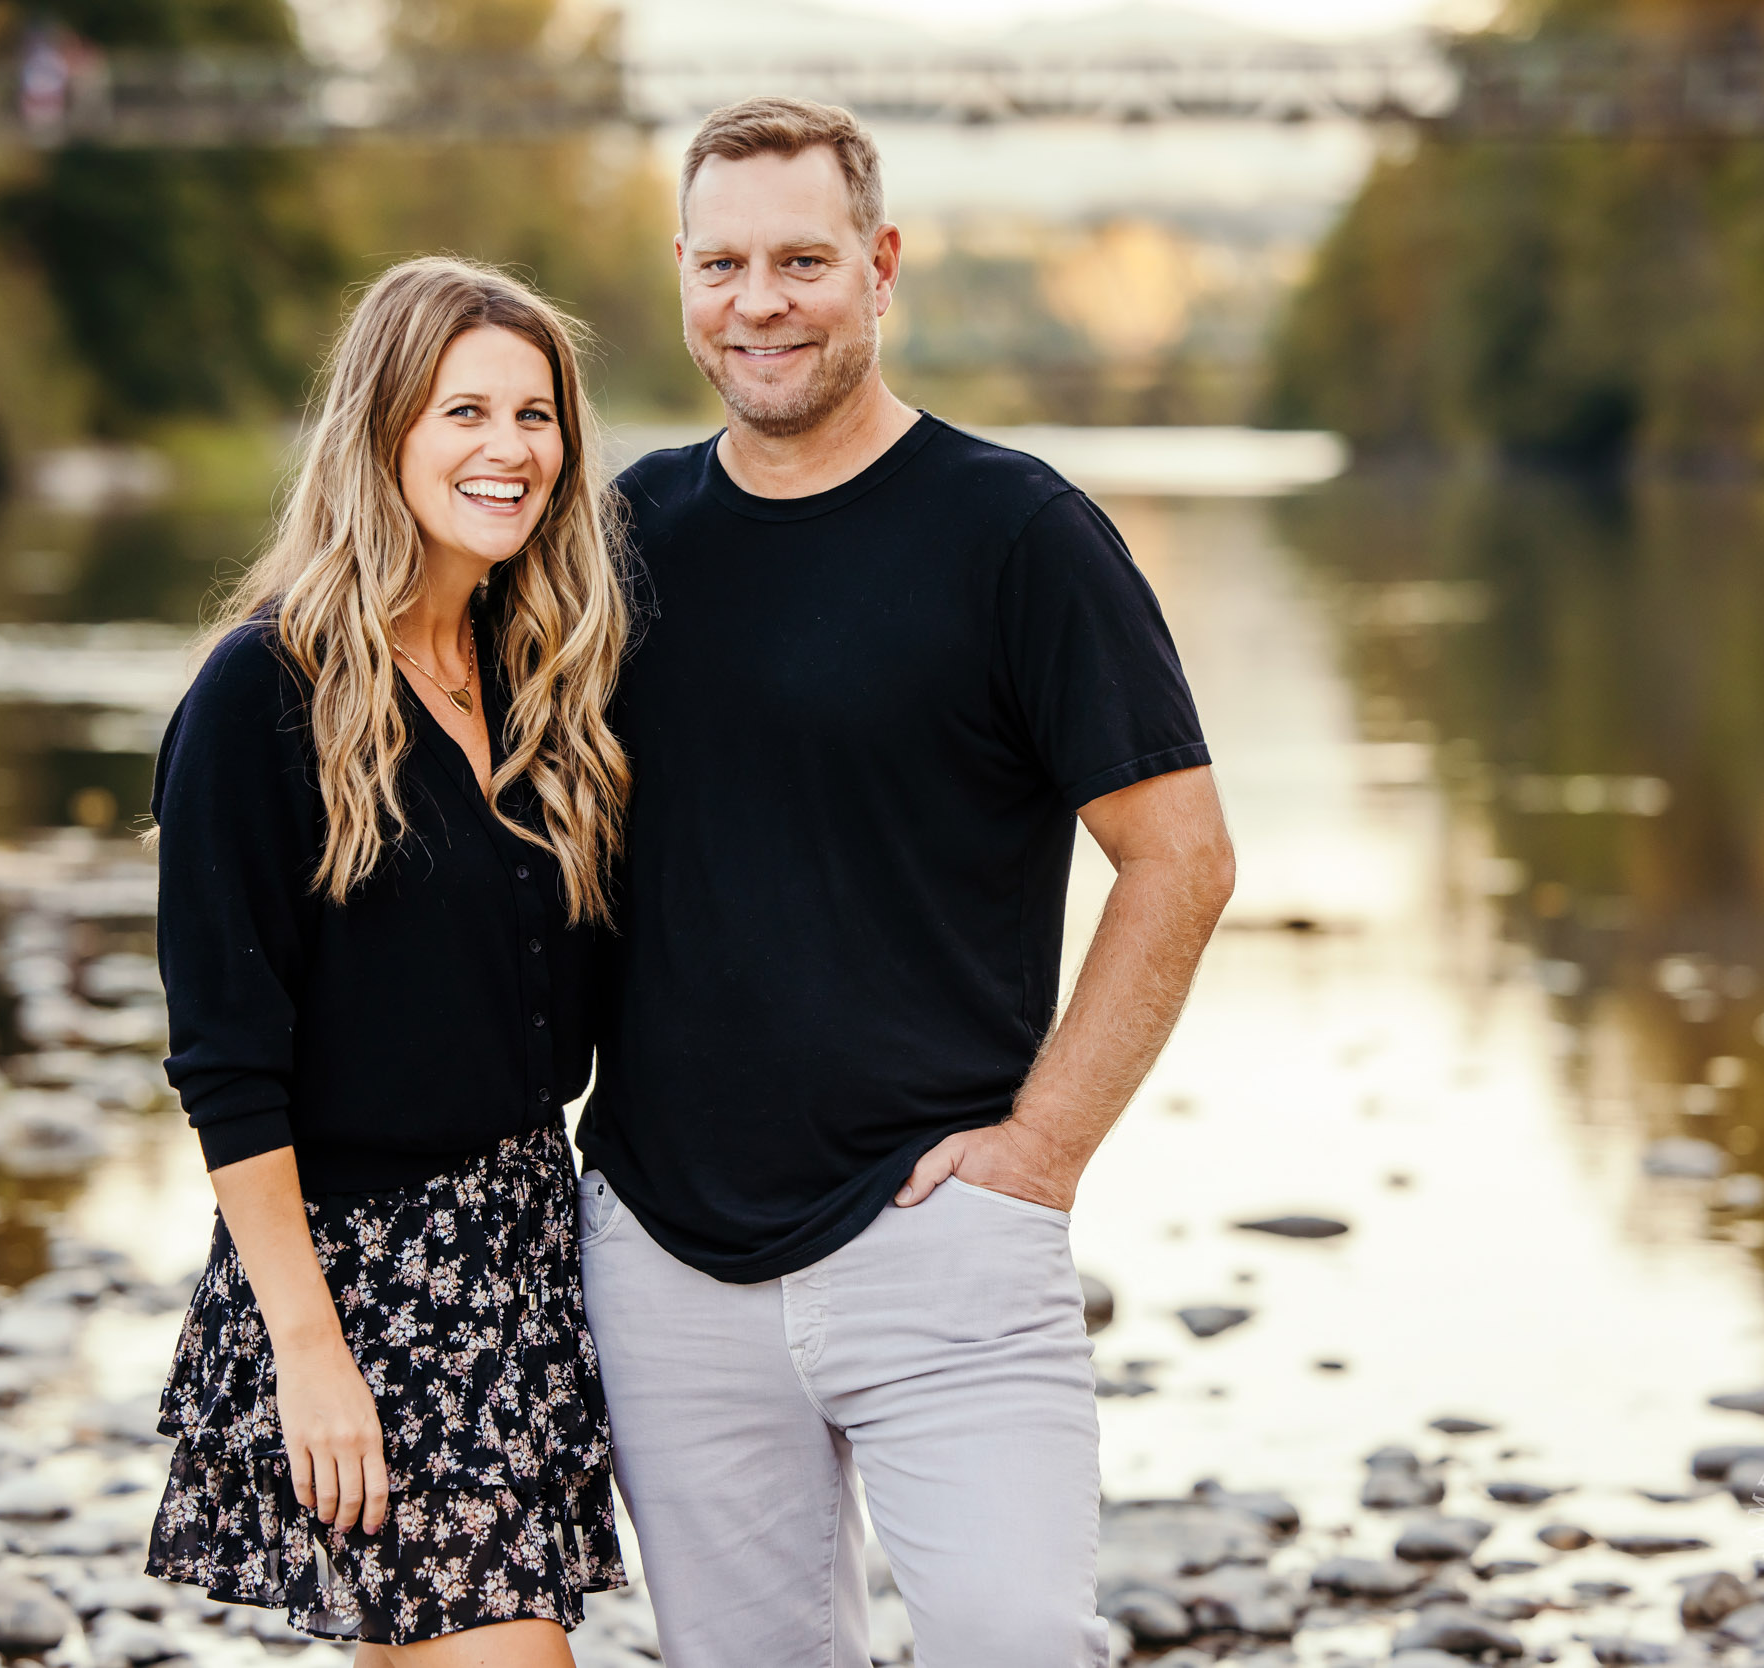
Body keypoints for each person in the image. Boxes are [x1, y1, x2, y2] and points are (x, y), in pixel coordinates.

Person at [575, 97, 1239, 1665]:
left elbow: (1182, 859)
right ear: (681, 274)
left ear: (880, 267)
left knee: (1020, 1643)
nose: (760, 302)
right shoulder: (623, 534)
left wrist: (1043, 1152)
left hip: (939, 1238)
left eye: (802, 259)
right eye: (723, 263)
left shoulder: (1019, 535)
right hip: (667, 1256)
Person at [143, 256, 632, 1665]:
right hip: (365, 1278)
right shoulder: (262, 693)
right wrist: (309, 1353)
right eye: (464, 412)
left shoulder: (546, 681)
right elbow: (227, 1063)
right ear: (383, 434)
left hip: (526, 1252)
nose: (509, 451)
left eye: (536, 416)